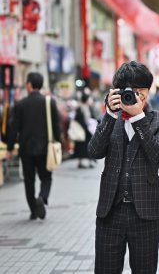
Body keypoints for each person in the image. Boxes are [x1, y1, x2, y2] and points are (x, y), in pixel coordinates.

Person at [88, 61, 159, 274]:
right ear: (116, 92)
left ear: (148, 90)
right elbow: (94, 151)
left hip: (145, 214)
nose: (135, 95)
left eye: (140, 90)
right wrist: (108, 113)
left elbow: (156, 154)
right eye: (129, 91)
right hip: (110, 212)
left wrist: (138, 117)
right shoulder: (109, 118)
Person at [6, 72, 61, 220]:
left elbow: (13, 128)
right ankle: (42, 198)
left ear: (29, 85)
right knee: (46, 177)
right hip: (45, 148)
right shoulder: (49, 102)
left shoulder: (20, 104)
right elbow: (57, 126)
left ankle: (33, 210)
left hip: (26, 149)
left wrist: (10, 148)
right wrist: (59, 142)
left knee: (29, 180)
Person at [73, 93, 97, 169]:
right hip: (83, 130)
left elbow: (92, 117)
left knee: (85, 146)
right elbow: (78, 119)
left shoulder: (85, 108)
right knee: (82, 146)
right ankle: (81, 161)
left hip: (88, 130)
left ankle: (88, 161)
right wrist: (86, 126)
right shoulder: (80, 108)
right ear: (86, 100)